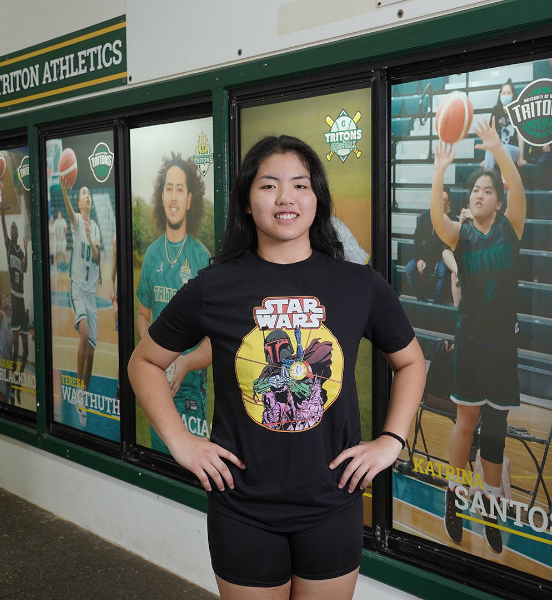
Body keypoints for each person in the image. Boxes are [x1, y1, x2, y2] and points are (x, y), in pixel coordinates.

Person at [128, 135, 426, 600]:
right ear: (248, 201)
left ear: (316, 199)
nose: (285, 198)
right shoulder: (216, 285)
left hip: (333, 503)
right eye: (269, 185)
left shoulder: (357, 284)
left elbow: (410, 362)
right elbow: (144, 362)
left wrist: (391, 442)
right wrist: (182, 443)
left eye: (300, 185)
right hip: (242, 508)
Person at [430, 117, 526, 553]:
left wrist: (497, 148)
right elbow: (436, 217)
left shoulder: (511, 226)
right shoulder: (461, 233)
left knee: (496, 428)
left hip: (502, 344)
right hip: (469, 341)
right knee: (465, 421)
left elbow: (519, 189)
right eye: (474, 191)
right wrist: (439, 171)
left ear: (498, 199)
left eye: (487, 190)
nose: (479, 195)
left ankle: (489, 506)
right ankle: (454, 493)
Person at [136, 154, 212, 451]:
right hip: (159, 387)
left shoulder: (202, 258)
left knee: (193, 467)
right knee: (161, 461)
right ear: (161, 196)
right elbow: (142, 316)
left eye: (180, 189)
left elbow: (215, 340)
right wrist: (155, 354)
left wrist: (184, 361)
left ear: (190, 199)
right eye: (168, 188)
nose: (173, 196)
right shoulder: (153, 255)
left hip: (192, 388)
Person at [61, 177, 101, 423]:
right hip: (77, 288)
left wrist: (90, 236)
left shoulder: (94, 227)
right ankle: (77, 388)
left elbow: (97, 257)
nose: (87, 195)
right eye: (83, 193)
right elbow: (69, 211)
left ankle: (83, 396)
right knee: (84, 334)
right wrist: (66, 192)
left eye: (88, 194)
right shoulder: (76, 221)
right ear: (79, 202)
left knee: (92, 352)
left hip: (91, 294)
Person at [0, 192, 29, 404]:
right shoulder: (9, 245)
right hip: (14, 299)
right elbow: (2, 221)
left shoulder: (18, 249)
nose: (12, 230)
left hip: (23, 301)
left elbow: (25, 270)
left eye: (14, 228)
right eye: (10, 229)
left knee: (26, 350)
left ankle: (17, 381)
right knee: (16, 349)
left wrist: (26, 249)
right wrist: (2, 201)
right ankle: (12, 387)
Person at [405, 186, 451, 302]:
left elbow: (447, 244)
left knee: (442, 270)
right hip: (424, 256)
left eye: (444, 200)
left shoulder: (451, 219)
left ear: (447, 203)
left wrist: (428, 244)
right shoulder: (424, 216)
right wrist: (420, 258)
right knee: (410, 269)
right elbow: (417, 239)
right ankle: (422, 300)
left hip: (441, 257)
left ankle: (436, 304)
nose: (440, 202)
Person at [483, 79, 521, 170]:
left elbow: (521, 136)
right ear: (500, 95)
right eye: (503, 93)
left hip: (514, 151)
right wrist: (487, 159)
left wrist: (521, 158)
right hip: (499, 150)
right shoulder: (496, 110)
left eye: (508, 93)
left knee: (505, 148)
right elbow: (491, 135)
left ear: (513, 95)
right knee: (490, 149)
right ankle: (487, 177)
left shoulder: (518, 110)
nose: (505, 95)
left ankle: (506, 182)